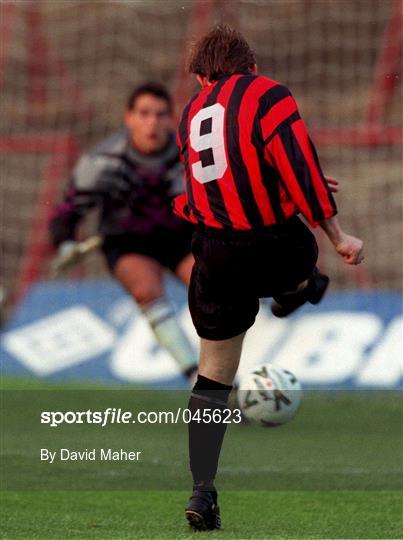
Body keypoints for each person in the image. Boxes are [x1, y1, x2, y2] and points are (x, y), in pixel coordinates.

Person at [173, 25, 364, 530]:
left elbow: (201, 188)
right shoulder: (269, 93)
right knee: (298, 255)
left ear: (199, 77)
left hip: (214, 254)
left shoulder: (191, 115)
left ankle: (202, 492)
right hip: (272, 246)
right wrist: (340, 237)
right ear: (251, 67)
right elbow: (298, 170)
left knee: (212, 375)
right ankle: (300, 287)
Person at [49, 82, 198, 382]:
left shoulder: (191, 157)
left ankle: (222, 377)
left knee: (210, 289)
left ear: (171, 119)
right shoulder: (102, 161)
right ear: (128, 117)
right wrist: (65, 244)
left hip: (182, 237)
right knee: (146, 290)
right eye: (144, 114)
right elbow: (67, 211)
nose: (152, 123)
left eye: (160, 115)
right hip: (129, 242)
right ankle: (197, 378)